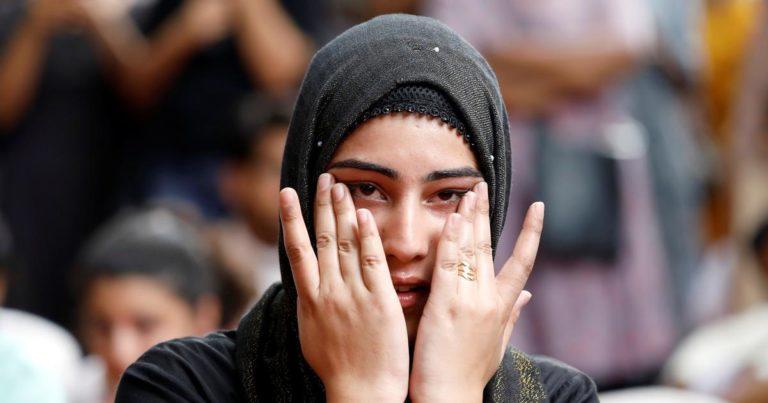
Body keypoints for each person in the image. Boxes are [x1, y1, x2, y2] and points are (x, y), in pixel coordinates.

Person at [116, 15, 598, 402]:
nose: (405, 242)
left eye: (447, 196)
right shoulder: (180, 386)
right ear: (304, 191)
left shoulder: (558, 397)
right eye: (367, 189)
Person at [75, 207, 221, 401]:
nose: (120, 352)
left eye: (145, 325)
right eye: (102, 327)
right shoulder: (63, 391)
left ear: (204, 318)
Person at [209, 96, 291, 326]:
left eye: (299, 169)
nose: (290, 184)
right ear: (235, 178)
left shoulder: (330, 262)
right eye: (276, 169)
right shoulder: (208, 256)